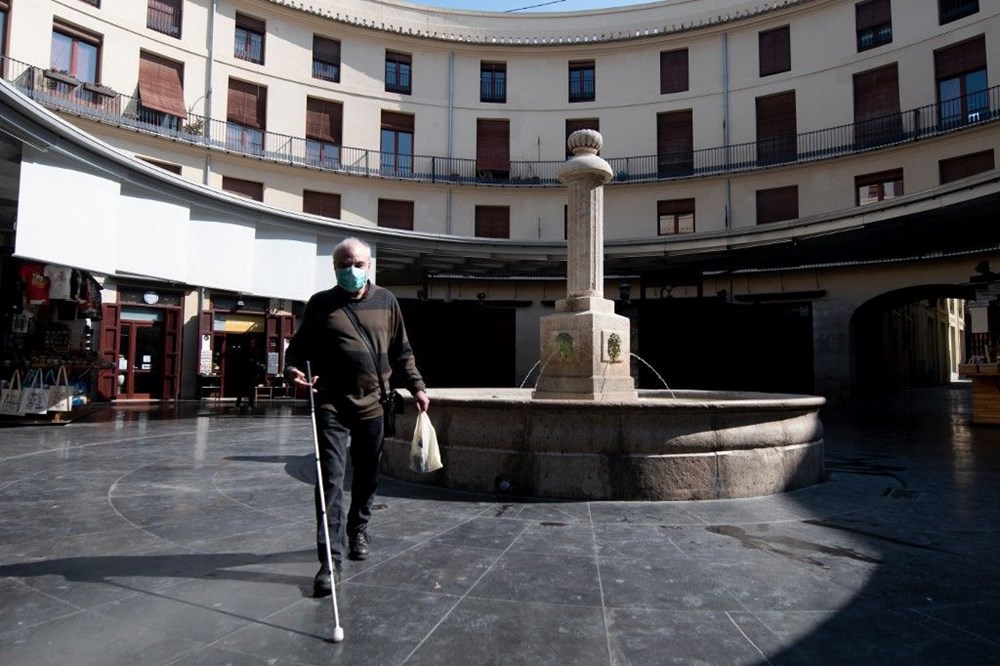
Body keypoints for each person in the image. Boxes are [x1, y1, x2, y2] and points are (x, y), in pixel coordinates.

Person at [284, 237, 429, 597]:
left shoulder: (387, 300)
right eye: (344, 264)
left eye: (358, 264)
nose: (351, 270)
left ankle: (358, 529)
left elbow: (402, 351)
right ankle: (330, 562)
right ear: (335, 267)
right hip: (331, 404)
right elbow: (297, 350)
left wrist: (417, 386)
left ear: (369, 266)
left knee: (366, 476)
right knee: (330, 481)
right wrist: (292, 370)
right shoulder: (320, 304)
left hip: (375, 404)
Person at [228, 338, 260, 411]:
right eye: (251, 343)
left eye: (253, 343)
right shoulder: (245, 352)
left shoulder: (256, 352)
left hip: (252, 375)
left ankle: (250, 404)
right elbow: (241, 362)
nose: (252, 344)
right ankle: (238, 405)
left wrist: (257, 373)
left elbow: (257, 364)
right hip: (244, 374)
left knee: (251, 390)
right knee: (241, 390)